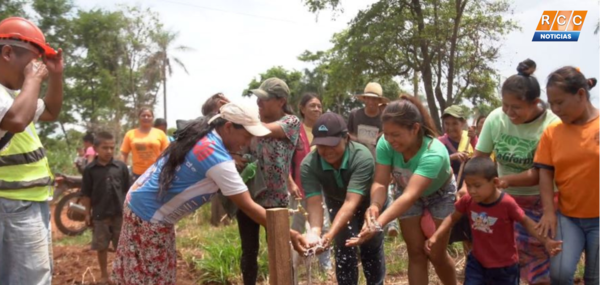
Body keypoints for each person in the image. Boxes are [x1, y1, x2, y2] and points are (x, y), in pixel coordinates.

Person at [111, 103, 307, 285]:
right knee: (150, 278)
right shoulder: (217, 159)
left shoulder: (205, 135)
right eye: (247, 137)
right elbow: (249, 206)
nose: (248, 143)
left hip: (142, 205)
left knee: (152, 274)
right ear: (229, 127)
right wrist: (290, 234)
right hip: (148, 217)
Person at [502, 67, 599, 284]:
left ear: (581, 95)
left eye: (560, 102)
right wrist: (548, 212)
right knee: (560, 273)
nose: (554, 109)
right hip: (568, 217)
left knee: (594, 278)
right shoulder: (553, 132)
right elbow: (544, 173)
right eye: (551, 103)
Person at [347, 96, 457, 285]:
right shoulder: (385, 143)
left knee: (436, 253)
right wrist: (374, 206)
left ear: (415, 129)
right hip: (405, 192)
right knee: (415, 252)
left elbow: (410, 195)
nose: (390, 140)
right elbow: (381, 183)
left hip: (440, 195)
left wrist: (378, 223)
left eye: (395, 134)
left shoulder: (434, 151)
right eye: (387, 134)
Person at [472, 59, 559, 285]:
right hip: (505, 199)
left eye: (516, 107)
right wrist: (468, 186)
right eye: (505, 105)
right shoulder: (495, 118)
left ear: (535, 103)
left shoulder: (551, 125)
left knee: (538, 255)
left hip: (541, 199)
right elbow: (479, 158)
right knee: (508, 256)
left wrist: (504, 180)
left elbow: (540, 174)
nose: (509, 112)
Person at [425, 157, 562, 285]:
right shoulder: (469, 201)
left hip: (505, 267)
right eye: (468, 185)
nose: (472, 190)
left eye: (477, 186)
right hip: (478, 262)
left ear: (495, 182)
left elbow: (526, 222)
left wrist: (546, 241)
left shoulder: (506, 203)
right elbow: (451, 218)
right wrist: (436, 236)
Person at [0, 17, 63, 285]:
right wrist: (34, 78)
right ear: (7, 52)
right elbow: (15, 120)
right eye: (33, 60)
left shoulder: (12, 97)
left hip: (26, 199)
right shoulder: (10, 101)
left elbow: (50, 111)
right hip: (12, 204)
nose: (37, 68)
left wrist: (56, 75)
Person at [302, 112, 385, 285]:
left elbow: (351, 203)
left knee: (370, 245)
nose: (326, 151)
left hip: (368, 201)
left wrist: (329, 234)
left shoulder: (362, 157)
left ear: (346, 138)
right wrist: (316, 233)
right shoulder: (309, 165)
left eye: (332, 145)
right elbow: (314, 203)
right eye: (321, 146)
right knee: (344, 247)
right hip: (336, 200)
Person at [239, 77, 300, 285]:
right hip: (250, 197)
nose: (259, 103)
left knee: (279, 251)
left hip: (276, 200)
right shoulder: (253, 123)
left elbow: (262, 130)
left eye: (264, 99)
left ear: (281, 101)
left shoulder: (290, 123)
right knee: (248, 253)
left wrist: (236, 116)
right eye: (258, 98)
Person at [347, 82, 398, 237]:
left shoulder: (384, 118)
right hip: (358, 158)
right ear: (364, 99)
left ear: (379, 101)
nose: (371, 102)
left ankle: (391, 224)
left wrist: (380, 137)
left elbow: (389, 135)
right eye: (368, 98)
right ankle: (359, 223)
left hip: (380, 159)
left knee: (385, 190)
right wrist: (359, 140)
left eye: (374, 99)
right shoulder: (355, 115)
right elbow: (347, 134)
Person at [80, 131, 130, 284]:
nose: (109, 151)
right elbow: (86, 194)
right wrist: (87, 214)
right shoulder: (90, 170)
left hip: (119, 213)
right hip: (100, 214)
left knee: (121, 246)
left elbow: (128, 191)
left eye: (111, 148)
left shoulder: (120, 167)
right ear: (95, 148)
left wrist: (130, 211)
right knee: (101, 246)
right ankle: (103, 275)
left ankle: (122, 274)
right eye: (105, 148)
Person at [290, 92, 332, 272]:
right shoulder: (294, 131)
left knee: (324, 226)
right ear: (302, 108)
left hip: (322, 186)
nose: (316, 109)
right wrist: (290, 182)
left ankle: (325, 268)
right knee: (296, 226)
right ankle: (292, 265)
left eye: (319, 106)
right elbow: (285, 160)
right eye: (312, 105)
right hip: (298, 187)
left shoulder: (325, 130)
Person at [438, 105, 477, 254]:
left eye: (455, 123)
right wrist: (451, 157)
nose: (451, 127)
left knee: (470, 227)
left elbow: (481, 158)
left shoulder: (470, 139)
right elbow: (435, 163)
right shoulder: (440, 143)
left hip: (469, 190)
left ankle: (471, 260)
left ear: (463, 123)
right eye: (447, 124)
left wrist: (473, 139)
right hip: (448, 192)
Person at [120, 107, 170, 181]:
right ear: (139, 118)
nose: (146, 117)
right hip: (137, 174)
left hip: (156, 173)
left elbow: (167, 153)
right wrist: (122, 171)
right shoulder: (130, 134)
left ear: (152, 118)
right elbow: (124, 153)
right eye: (143, 115)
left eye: (149, 116)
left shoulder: (160, 134)